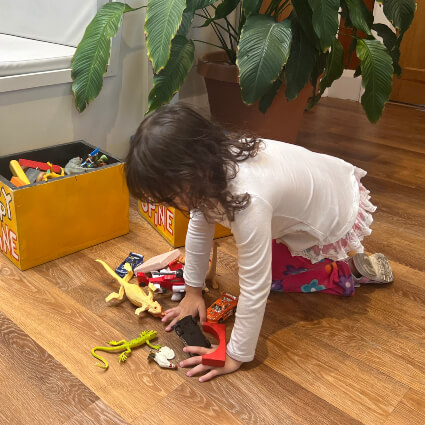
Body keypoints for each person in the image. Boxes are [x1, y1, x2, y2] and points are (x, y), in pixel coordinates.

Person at [125, 103, 394, 382]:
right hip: (318, 186)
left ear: (192, 173)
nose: (171, 205)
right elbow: (199, 221)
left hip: (329, 215)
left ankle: (344, 272)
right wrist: (193, 291)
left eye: (169, 197)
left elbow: (255, 287)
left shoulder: (249, 201)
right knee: (263, 255)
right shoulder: (212, 163)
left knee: (274, 276)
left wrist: (236, 354)